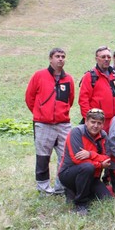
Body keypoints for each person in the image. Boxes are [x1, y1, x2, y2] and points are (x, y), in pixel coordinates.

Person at [25, 47, 75, 194]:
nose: (61, 59)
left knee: (65, 155)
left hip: (63, 124)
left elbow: (70, 100)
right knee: (42, 156)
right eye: (57, 56)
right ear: (50, 59)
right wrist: (40, 114)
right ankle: (43, 188)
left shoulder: (68, 79)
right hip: (43, 124)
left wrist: (61, 113)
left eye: (63, 56)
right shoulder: (39, 76)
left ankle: (61, 186)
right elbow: (30, 98)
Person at [58, 108, 112, 215]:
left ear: (102, 125)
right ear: (86, 121)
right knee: (87, 167)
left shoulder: (103, 135)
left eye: (99, 123)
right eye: (92, 122)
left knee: (106, 198)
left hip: (92, 176)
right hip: (69, 174)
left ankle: (74, 192)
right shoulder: (76, 132)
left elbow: (108, 158)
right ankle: (80, 204)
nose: (95, 126)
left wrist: (90, 154)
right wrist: (100, 164)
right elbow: (77, 160)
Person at [78, 45, 115, 132]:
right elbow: (83, 100)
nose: (106, 59)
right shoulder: (90, 76)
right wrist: (89, 121)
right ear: (96, 59)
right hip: (98, 122)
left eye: (108, 57)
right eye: (103, 57)